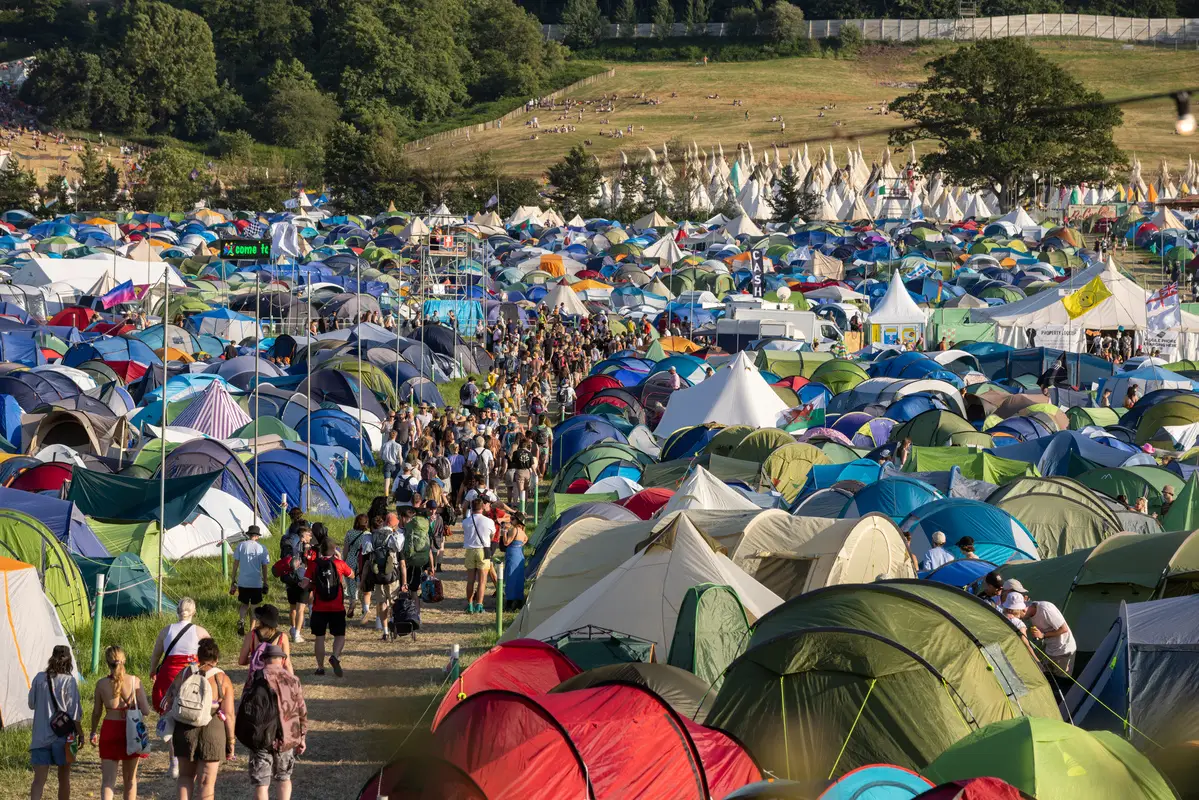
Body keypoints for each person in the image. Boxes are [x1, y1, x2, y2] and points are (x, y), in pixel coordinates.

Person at [166, 637, 235, 800]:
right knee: (206, 782)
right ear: (216, 659)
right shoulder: (222, 679)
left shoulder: (184, 674)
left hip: (185, 727)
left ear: (198, 656)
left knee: (185, 778)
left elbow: (170, 699)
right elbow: (229, 714)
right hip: (213, 729)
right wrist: (231, 741)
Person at [150, 597, 210, 779]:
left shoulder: (166, 630)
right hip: (190, 675)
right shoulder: (200, 632)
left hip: (168, 675)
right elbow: (210, 654)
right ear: (194, 612)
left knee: (171, 718)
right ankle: (192, 757)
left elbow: (156, 653)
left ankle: (174, 763)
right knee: (192, 713)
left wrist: (153, 671)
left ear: (177, 611)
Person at [89, 645, 151, 800]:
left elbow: (96, 712)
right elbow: (146, 710)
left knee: (108, 782)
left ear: (107, 663)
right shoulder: (135, 681)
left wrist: (93, 731)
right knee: (130, 780)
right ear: (125, 660)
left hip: (110, 729)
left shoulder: (101, 684)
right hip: (130, 731)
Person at [246, 645, 307, 800]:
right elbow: (301, 710)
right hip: (286, 736)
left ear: (264, 660)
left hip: (260, 736)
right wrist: (302, 737)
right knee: (284, 778)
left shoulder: (255, 678)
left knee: (261, 783)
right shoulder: (293, 680)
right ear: (283, 659)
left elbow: (244, 707)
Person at [28, 645, 83, 800]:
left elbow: (31, 704)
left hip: (40, 736)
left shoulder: (39, 678)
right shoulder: (70, 681)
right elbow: (74, 714)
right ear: (69, 661)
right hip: (64, 738)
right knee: (64, 779)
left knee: (38, 781)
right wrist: (81, 733)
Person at [303, 538, 354, 675]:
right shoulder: (339, 563)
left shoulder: (313, 565)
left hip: (319, 607)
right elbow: (352, 575)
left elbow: (304, 583)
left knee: (319, 637)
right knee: (340, 635)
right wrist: (340, 558)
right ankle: (335, 656)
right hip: (337, 606)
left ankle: (320, 667)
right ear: (334, 549)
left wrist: (312, 585)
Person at [364, 514, 403, 640]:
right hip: (391, 573)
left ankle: (385, 631)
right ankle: (394, 624)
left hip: (377, 573)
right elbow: (398, 548)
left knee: (381, 602)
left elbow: (366, 550)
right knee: (393, 600)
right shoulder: (393, 536)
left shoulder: (373, 536)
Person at [238, 605, 292, 694]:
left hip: (255, 682)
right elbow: (287, 664)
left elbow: (241, 661)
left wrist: (255, 657)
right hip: (276, 682)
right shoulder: (282, 637)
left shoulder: (251, 635)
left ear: (260, 619)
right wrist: (292, 683)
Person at [231, 525, 271, 637]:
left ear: (248, 535)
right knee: (254, 607)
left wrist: (233, 579)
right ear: (257, 536)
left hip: (243, 581)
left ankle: (242, 619)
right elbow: (264, 566)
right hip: (256, 582)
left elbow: (235, 564)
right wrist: (265, 581)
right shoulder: (262, 548)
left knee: (244, 604)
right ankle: (252, 630)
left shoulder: (241, 546)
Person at [463, 498, 496, 614]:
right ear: (482, 508)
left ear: (471, 508)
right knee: (482, 581)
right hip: (483, 550)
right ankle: (479, 605)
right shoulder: (489, 521)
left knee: (470, 580)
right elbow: (492, 536)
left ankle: (470, 604)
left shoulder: (465, 522)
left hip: (470, 550)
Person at [342, 515, 371, 619]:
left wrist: (343, 561)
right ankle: (365, 608)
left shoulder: (350, 533)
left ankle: (352, 602)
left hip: (350, 560)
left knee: (351, 585)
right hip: (362, 562)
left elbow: (345, 550)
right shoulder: (368, 534)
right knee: (363, 586)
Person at [502, 512, 528, 610]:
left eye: (512, 519)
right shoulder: (522, 531)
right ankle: (519, 601)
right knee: (518, 578)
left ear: (517, 521)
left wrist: (504, 531)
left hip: (512, 555)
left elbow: (506, 542)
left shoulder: (515, 530)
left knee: (510, 577)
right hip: (519, 555)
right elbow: (526, 539)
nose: (511, 520)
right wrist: (519, 545)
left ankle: (509, 602)